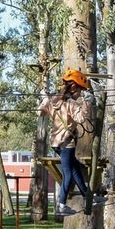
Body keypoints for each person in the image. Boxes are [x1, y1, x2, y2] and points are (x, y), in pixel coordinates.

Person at [39, 68, 96, 218]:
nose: (80, 94)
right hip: (66, 143)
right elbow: (81, 118)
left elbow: (42, 109)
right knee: (69, 173)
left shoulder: (54, 100)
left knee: (76, 168)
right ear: (74, 87)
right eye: (80, 90)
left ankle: (87, 197)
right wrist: (87, 102)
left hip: (56, 142)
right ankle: (61, 204)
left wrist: (44, 97)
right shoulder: (71, 103)